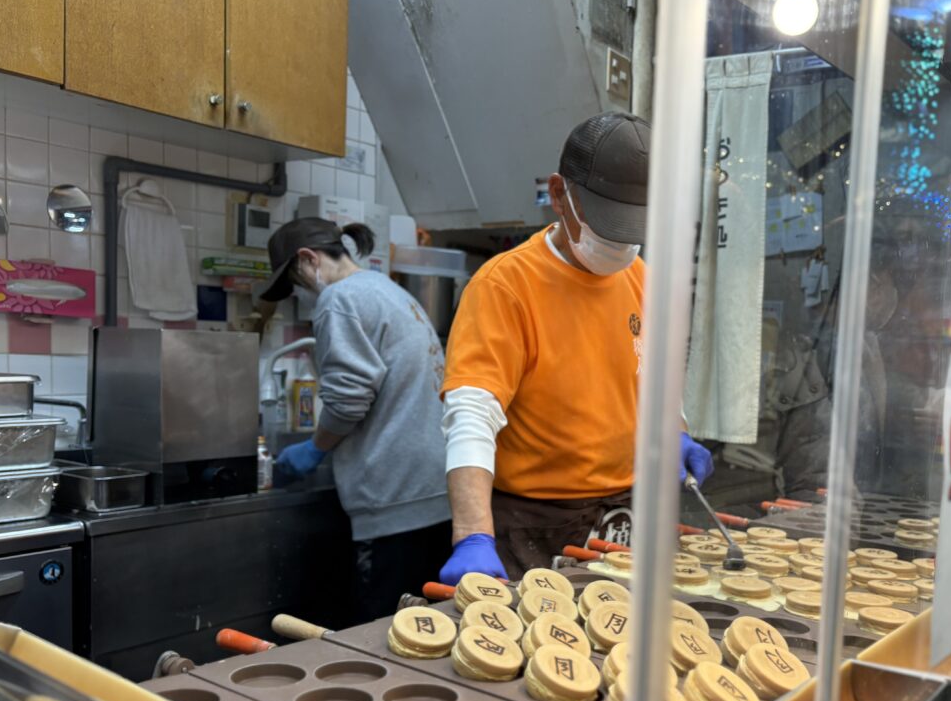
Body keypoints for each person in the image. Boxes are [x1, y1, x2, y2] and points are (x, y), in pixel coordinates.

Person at [437, 112, 713, 584]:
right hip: (534, 525)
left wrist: (675, 431)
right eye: (609, 226)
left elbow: (655, 376)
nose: (621, 244)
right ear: (560, 194)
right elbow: (472, 414)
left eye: (634, 229)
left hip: (628, 516)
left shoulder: (643, 280)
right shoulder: (506, 285)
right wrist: (472, 536)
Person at [263, 218, 451, 621]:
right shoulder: (387, 290)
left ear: (308, 259)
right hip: (433, 490)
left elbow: (348, 399)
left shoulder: (339, 299)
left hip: (393, 496)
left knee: (381, 633)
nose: (300, 291)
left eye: (295, 279)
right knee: (425, 629)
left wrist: (316, 447)